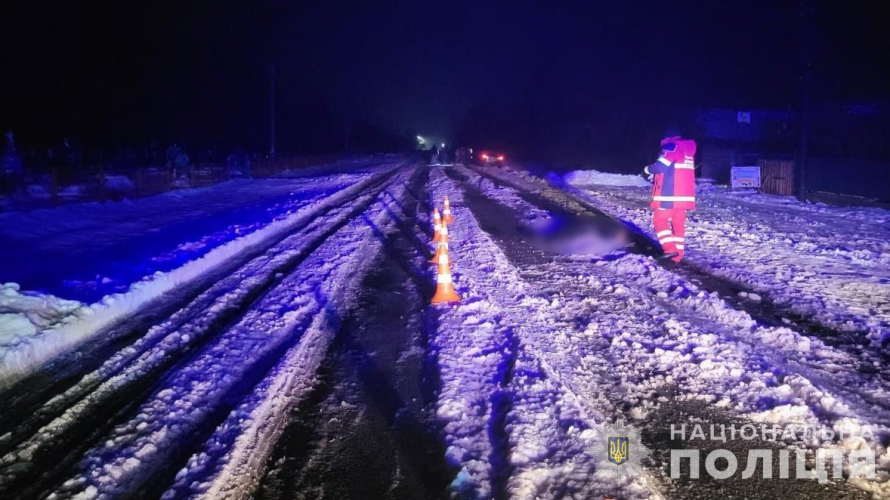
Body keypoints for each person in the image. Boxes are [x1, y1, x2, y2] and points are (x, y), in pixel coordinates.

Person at [644, 128, 696, 262]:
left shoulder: (672, 146)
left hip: (669, 195)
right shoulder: (688, 151)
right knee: (678, 224)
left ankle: (670, 249)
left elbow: (660, 167)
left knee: (659, 220)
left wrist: (647, 169)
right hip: (685, 197)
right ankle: (677, 256)